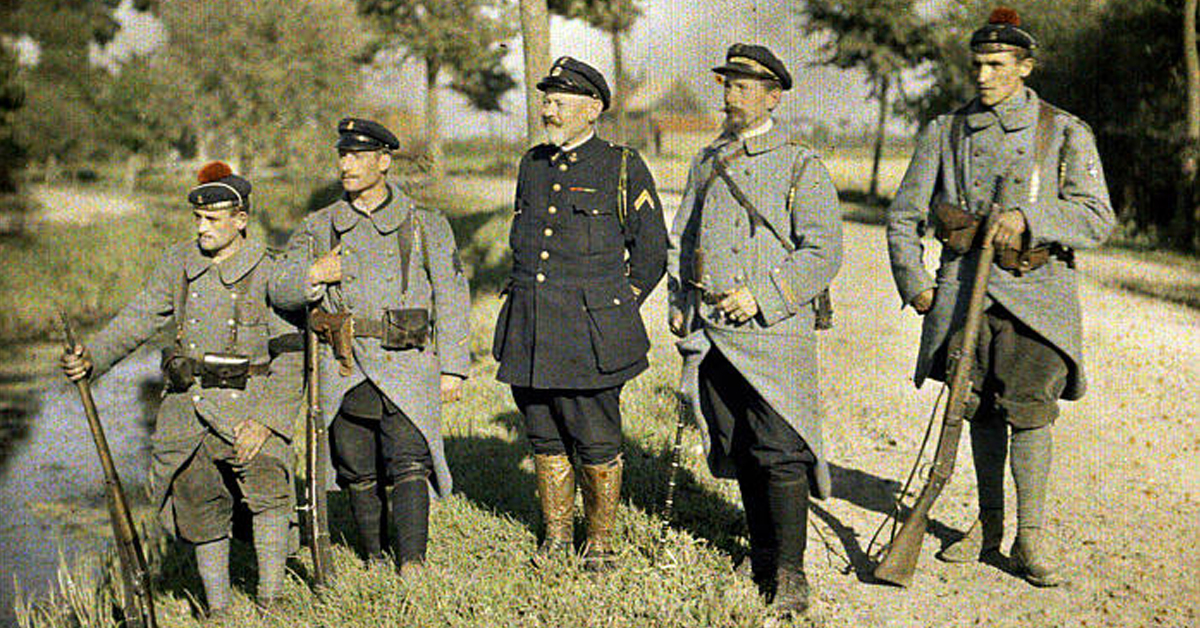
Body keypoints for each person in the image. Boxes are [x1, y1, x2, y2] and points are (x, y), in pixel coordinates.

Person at [885, 7, 1115, 587]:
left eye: (997, 65)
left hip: (1038, 301)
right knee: (977, 409)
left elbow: (1097, 217)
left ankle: (1028, 537)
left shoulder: (1065, 131)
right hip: (963, 296)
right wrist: (917, 285)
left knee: (1030, 413)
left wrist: (1031, 218)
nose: (984, 76)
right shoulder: (945, 131)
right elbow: (904, 216)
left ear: (1025, 67)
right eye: (978, 65)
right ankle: (988, 526)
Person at [59, 162, 303, 616]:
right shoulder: (179, 264)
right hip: (186, 409)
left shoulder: (271, 271)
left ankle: (272, 601)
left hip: (250, 408)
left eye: (212, 219)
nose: (202, 227)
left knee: (269, 488)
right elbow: (139, 318)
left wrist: (267, 422)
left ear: (241, 220)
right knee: (197, 501)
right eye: (198, 218)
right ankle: (218, 611)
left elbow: (290, 357)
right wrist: (93, 358)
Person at [667, 43, 843, 616]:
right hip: (716, 329)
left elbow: (823, 252)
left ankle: (791, 571)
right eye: (728, 86)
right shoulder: (706, 161)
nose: (731, 97)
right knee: (741, 442)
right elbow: (682, 238)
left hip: (774, 332)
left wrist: (762, 296)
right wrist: (679, 301)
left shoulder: (801, 166)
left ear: (774, 97)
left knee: (780, 447)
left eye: (744, 88)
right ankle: (762, 550)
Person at [269, 118, 471, 575]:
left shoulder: (424, 224)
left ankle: (412, 563)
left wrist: (453, 368)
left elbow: (452, 296)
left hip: (408, 361)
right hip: (344, 366)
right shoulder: (318, 226)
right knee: (357, 466)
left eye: (358, 156)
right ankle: (375, 557)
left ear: (384, 162)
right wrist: (315, 274)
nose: (347, 165)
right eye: (343, 155)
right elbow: (278, 286)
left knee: (410, 461)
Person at [492, 56, 668, 571]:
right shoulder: (532, 164)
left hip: (591, 335)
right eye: (546, 101)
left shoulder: (621, 165)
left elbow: (652, 251)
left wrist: (614, 309)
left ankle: (600, 544)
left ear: (592, 109)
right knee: (543, 433)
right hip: (532, 328)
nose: (548, 110)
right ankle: (555, 538)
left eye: (559, 101)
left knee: (596, 439)